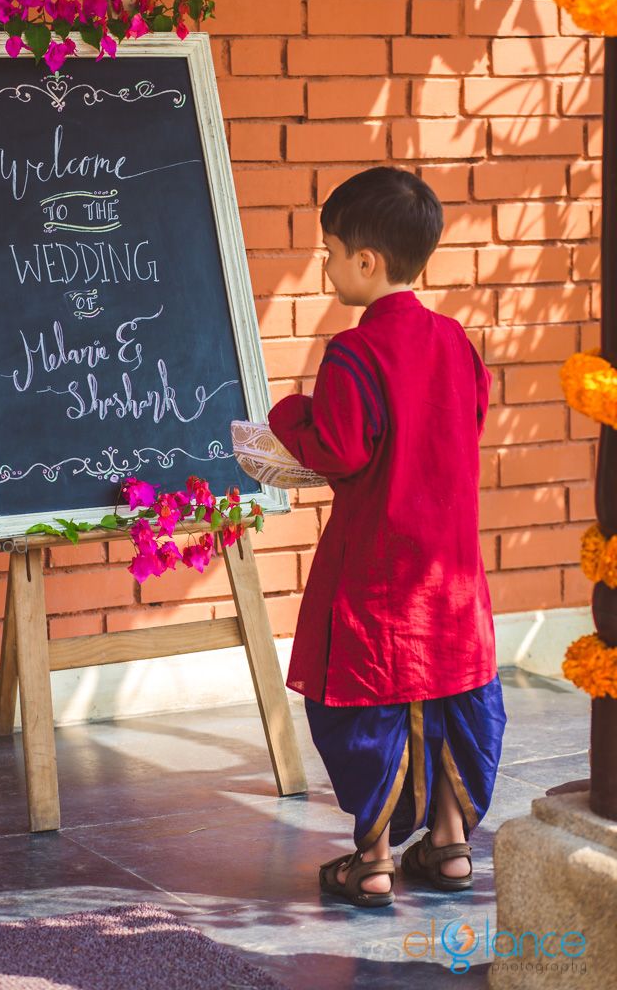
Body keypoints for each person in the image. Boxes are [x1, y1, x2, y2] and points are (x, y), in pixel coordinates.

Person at [266, 167, 507, 909]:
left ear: (367, 261)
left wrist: (287, 416)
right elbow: (463, 426)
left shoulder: (354, 353)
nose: (326, 265)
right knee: (449, 694)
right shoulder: (456, 343)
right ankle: (451, 846)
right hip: (454, 573)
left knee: (374, 705)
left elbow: (337, 448)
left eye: (330, 251)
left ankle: (371, 863)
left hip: (377, 570)